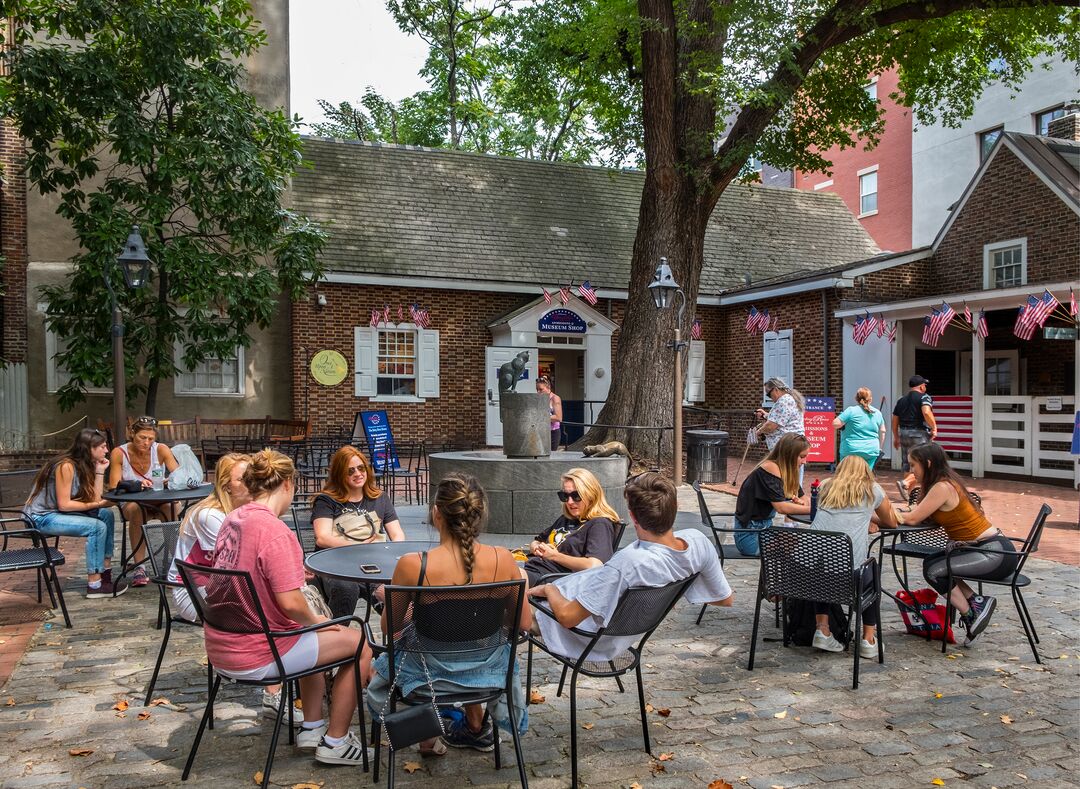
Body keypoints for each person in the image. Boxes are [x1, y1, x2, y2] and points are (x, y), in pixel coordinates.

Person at [206, 449, 373, 766]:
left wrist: (312, 620)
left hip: (223, 645)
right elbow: (291, 603)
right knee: (359, 643)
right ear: (287, 484)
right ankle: (336, 742)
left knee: (308, 631)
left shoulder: (233, 519)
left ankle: (311, 728)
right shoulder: (275, 530)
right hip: (258, 651)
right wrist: (320, 621)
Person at [366, 474, 531, 755]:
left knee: (384, 663)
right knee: (454, 645)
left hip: (428, 673)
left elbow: (390, 629)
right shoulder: (504, 559)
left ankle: (427, 736)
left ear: (436, 513)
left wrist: (397, 603)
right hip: (488, 671)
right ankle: (469, 727)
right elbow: (523, 623)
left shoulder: (413, 565)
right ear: (479, 514)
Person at [528, 472, 733, 663]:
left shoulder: (627, 564)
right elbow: (725, 598)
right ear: (675, 506)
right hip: (599, 617)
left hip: (572, 629)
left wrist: (549, 590)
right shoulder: (698, 542)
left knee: (501, 598)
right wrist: (671, 592)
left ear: (633, 517)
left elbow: (567, 617)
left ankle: (505, 693)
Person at [901, 442, 1016, 645]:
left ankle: (970, 614)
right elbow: (924, 517)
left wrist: (881, 514)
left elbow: (911, 519)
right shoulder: (944, 482)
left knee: (933, 570)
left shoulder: (942, 487)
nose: (911, 471)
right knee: (932, 563)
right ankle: (976, 603)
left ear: (927, 464)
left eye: (913, 465)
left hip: (993, 553)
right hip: (988, 549)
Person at [807, 455, 897, 657]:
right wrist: (867, 519)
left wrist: (864, 519)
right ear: (866, 472)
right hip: (850, 578)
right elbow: (891, 522)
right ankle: (868, 639)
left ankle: (822, 629)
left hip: (811, 576)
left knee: (825, 562)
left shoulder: (825, 486)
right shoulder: (872, 489)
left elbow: (838, 513)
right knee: (870, 572)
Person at [24, 428, 126, 598]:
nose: (106, 450)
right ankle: (94, 584)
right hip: (41, 517)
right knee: (96, 526)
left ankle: (105, 575)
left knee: (106, 514)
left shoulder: (84, 464)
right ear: (88, 448)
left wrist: (100, 471)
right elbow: (64, 505)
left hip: (56, 513)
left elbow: (94, 499)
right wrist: (99, 503)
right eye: (102, 447)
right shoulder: (66, 466)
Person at [310, 446, 405, 618]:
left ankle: (400, 640)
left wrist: (391, 558)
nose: (357, 474)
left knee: (401, 593)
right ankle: (337, 636)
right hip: (337, 565)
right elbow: (322, 538)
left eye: (361, 468)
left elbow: (397, 535)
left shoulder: (379, 498)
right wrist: (359, 547)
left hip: (374, 564)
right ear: (340, 474)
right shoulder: (326, 500)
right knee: (347, 588)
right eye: (350, 471)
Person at [167, 452, 250, 622]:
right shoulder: (210, 515)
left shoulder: (244, 511)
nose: (252, 484)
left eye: (253, 478)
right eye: (242, 479)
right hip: (192, 592)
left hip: (222, 586)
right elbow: (236, 564)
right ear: (226, 486)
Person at [107, 416, 179, 587]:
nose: (146, 442)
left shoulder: (161, 449)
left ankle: (173, 564)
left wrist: (171, 480)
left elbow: (179, 475)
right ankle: (140, 566)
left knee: (172, 506)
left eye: (151, 439)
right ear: (132, 434)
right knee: (138, 510)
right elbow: (113, 485)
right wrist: (136, 485)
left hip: (159, 500)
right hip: (132, 503)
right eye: (142, 438)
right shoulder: (119, 452)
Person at [522, 468, 619, 587]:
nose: (569, 502)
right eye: (565, 496)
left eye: (576, 496)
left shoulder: (599, 524)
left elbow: (595, 565)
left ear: (591, 494)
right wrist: (537, 548)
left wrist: (554, 556)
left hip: (553, 579)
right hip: (533, 568)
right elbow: (537, 541)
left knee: (503, 574)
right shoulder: (566, 519)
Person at [732, 433, 811, 556]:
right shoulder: (771, 468)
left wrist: (802, 504)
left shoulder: (786, 470)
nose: (805, 461)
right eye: (802, 457)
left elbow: (804, 497)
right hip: (750, 536)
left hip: (764, 530)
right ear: (789, 455)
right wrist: (812, 510)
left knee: (803, 545)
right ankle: (782, 575)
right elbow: (781, 508)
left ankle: (777, 575)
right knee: (802, 548)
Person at [891, 375, 937, 473]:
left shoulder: (901, 400)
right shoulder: (924, 397)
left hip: (903, 434)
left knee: (907, 463)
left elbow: (894, 421)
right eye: (925, 385)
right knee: (923, 462)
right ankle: (908, 483)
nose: (925, 387)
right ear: (921, 387)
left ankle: (905, 487)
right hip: (919, 434)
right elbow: (926, 412)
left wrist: (896, 437)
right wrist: (934, 428)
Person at [834, 387, 886, 468]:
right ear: (870, 399)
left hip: (851, 450)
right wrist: (880, 448)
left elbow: (835, 424)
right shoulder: (877, 413)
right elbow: (883, 431)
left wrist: (844, 422)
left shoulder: (851, 411)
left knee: (847, 477)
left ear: (856, 398)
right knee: (866, 476)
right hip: (871, 450)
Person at [754, 377, 806, 450]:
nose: (769, 397)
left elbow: (770, 426)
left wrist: (758, 432)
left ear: (776, 389)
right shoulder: (789, 399)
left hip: (786, 447)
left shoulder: (783, 401)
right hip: (794, 443)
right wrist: (765, 415)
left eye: (769, 394)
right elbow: (782, 418)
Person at [536, 375, 563, 451]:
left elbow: (558, 417)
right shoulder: (539, 398)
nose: (538, 392)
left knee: (550, 456)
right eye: (537, 389)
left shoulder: (555, 398)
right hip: (540, 431)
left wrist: (540, 417)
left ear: (548, 388)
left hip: (552, 432)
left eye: (541, 389)